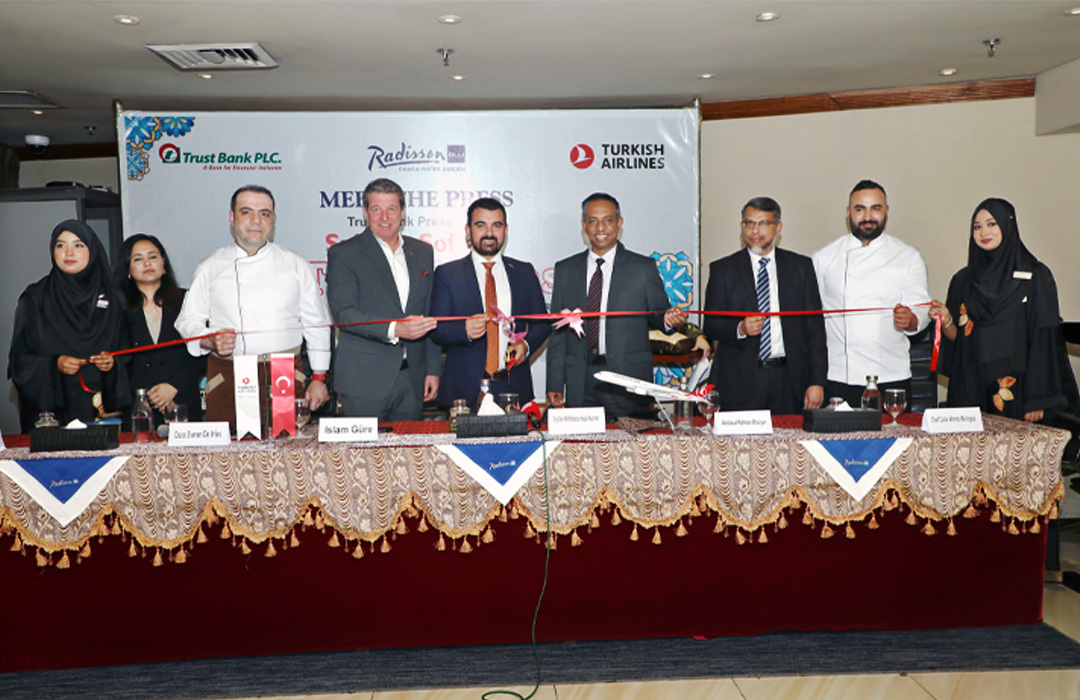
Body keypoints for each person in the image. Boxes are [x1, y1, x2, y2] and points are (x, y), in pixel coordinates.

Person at [175, 185, 331, 429]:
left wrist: (319, 376)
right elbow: (187, 322)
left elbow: (317, 324)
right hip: (228, 375)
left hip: (284, 374)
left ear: (273, 219)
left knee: (286, 447)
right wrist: (209, 340)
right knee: (229, 449)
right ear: (232, 217)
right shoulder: (210, 267)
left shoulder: (295, 264)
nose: (256, 221)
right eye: (246, 212)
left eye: (264, 213)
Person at [929, 198, 1074, 423]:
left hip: (1020, 392)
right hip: (972, 390)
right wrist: (947, 320)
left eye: (991, 224)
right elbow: (960, 344)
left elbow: (1043, 341)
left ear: (1008, 225)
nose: (983, 232)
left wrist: (1038, 400)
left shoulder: (1036, 277)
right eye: (977, 227)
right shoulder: (963, 281)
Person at [546, 193, 687, 418]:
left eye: (608, 220)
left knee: (631, 440)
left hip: (628, 379)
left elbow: (658, 313)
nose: (600, 227)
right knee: (583, 440)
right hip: (580, 380)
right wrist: (554, 382)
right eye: (593, 221)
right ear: (584, 226)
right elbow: (557, 332)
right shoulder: (565, 270)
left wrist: (668, 319)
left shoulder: (643, 268)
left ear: (619, 223)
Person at [325, 178, 440, 420]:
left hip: (413, 380)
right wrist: (395, 329)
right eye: (376, 209)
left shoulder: (423, 252)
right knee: (364, 448)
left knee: (411, 447)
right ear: (365, 213)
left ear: (403, 212)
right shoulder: (344, 254)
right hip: (363, 381)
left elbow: (429, 313)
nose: (384, 217)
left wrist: (433, 369)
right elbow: (344, 314)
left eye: (392, 209)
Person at [811, 180, 930, 408]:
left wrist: (911, 319)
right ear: (848, 213)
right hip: (838, 375)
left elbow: (921, 308)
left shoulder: (908, 256)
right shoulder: (823, 258)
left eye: (875, 208)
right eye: (860, 209)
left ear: (886, 211)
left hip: (891, 374)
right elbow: (812, 320)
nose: (868, 217)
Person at [703, 197, 827, 413]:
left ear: (778, 227)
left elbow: (815, 330)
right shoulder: (723, 269)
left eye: (763, 223)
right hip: (739, 383)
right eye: (749, 223)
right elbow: (711, 325)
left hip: (789, 382)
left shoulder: (801, 267)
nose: (755, 230)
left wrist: (817, 382)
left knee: (789, 436)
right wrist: (740, 328)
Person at [8, 220, 129, 430]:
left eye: (78, 245)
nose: (68, 253)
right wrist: (55, 364)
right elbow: (20, 361)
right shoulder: (35, 298)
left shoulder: (114, 299)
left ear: (92, 251)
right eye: (60, 245)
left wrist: (112, 363)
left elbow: (130, 354)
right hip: (52, 414)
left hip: (101, 412)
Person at [430, 197, 550, 406]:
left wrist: (526, 344)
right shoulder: (448, 274)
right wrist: (464, 330)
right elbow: (436, 328)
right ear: (468, 230)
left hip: (513, 388)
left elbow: (542, 324)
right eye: (481, 225)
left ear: (506, 229)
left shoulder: (524, 272)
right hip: (464, 391)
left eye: (497, 225)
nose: (489, 233)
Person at [114, 234, 206, 426]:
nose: (147, 263)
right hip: (139, 407)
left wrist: (173, 387)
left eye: (153, 257)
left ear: (164, 265)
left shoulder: (187, 300)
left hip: (182, 401)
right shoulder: (117, 308)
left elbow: (203, 348)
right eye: (138, 259)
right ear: (128, 270)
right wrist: (152, 396)